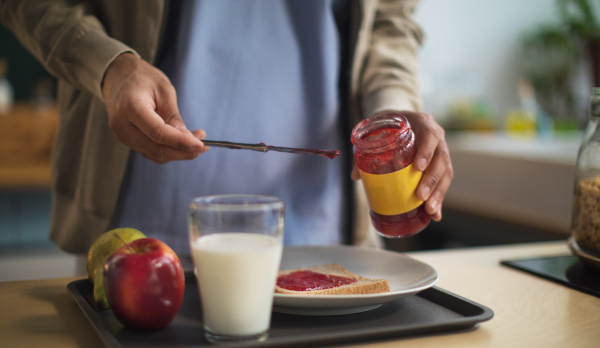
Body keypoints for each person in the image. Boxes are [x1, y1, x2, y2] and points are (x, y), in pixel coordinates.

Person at [1, 0, 453, 260]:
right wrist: (108, 65)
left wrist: (394, 107)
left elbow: (390, 23)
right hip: (139, 230)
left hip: (323, 228)